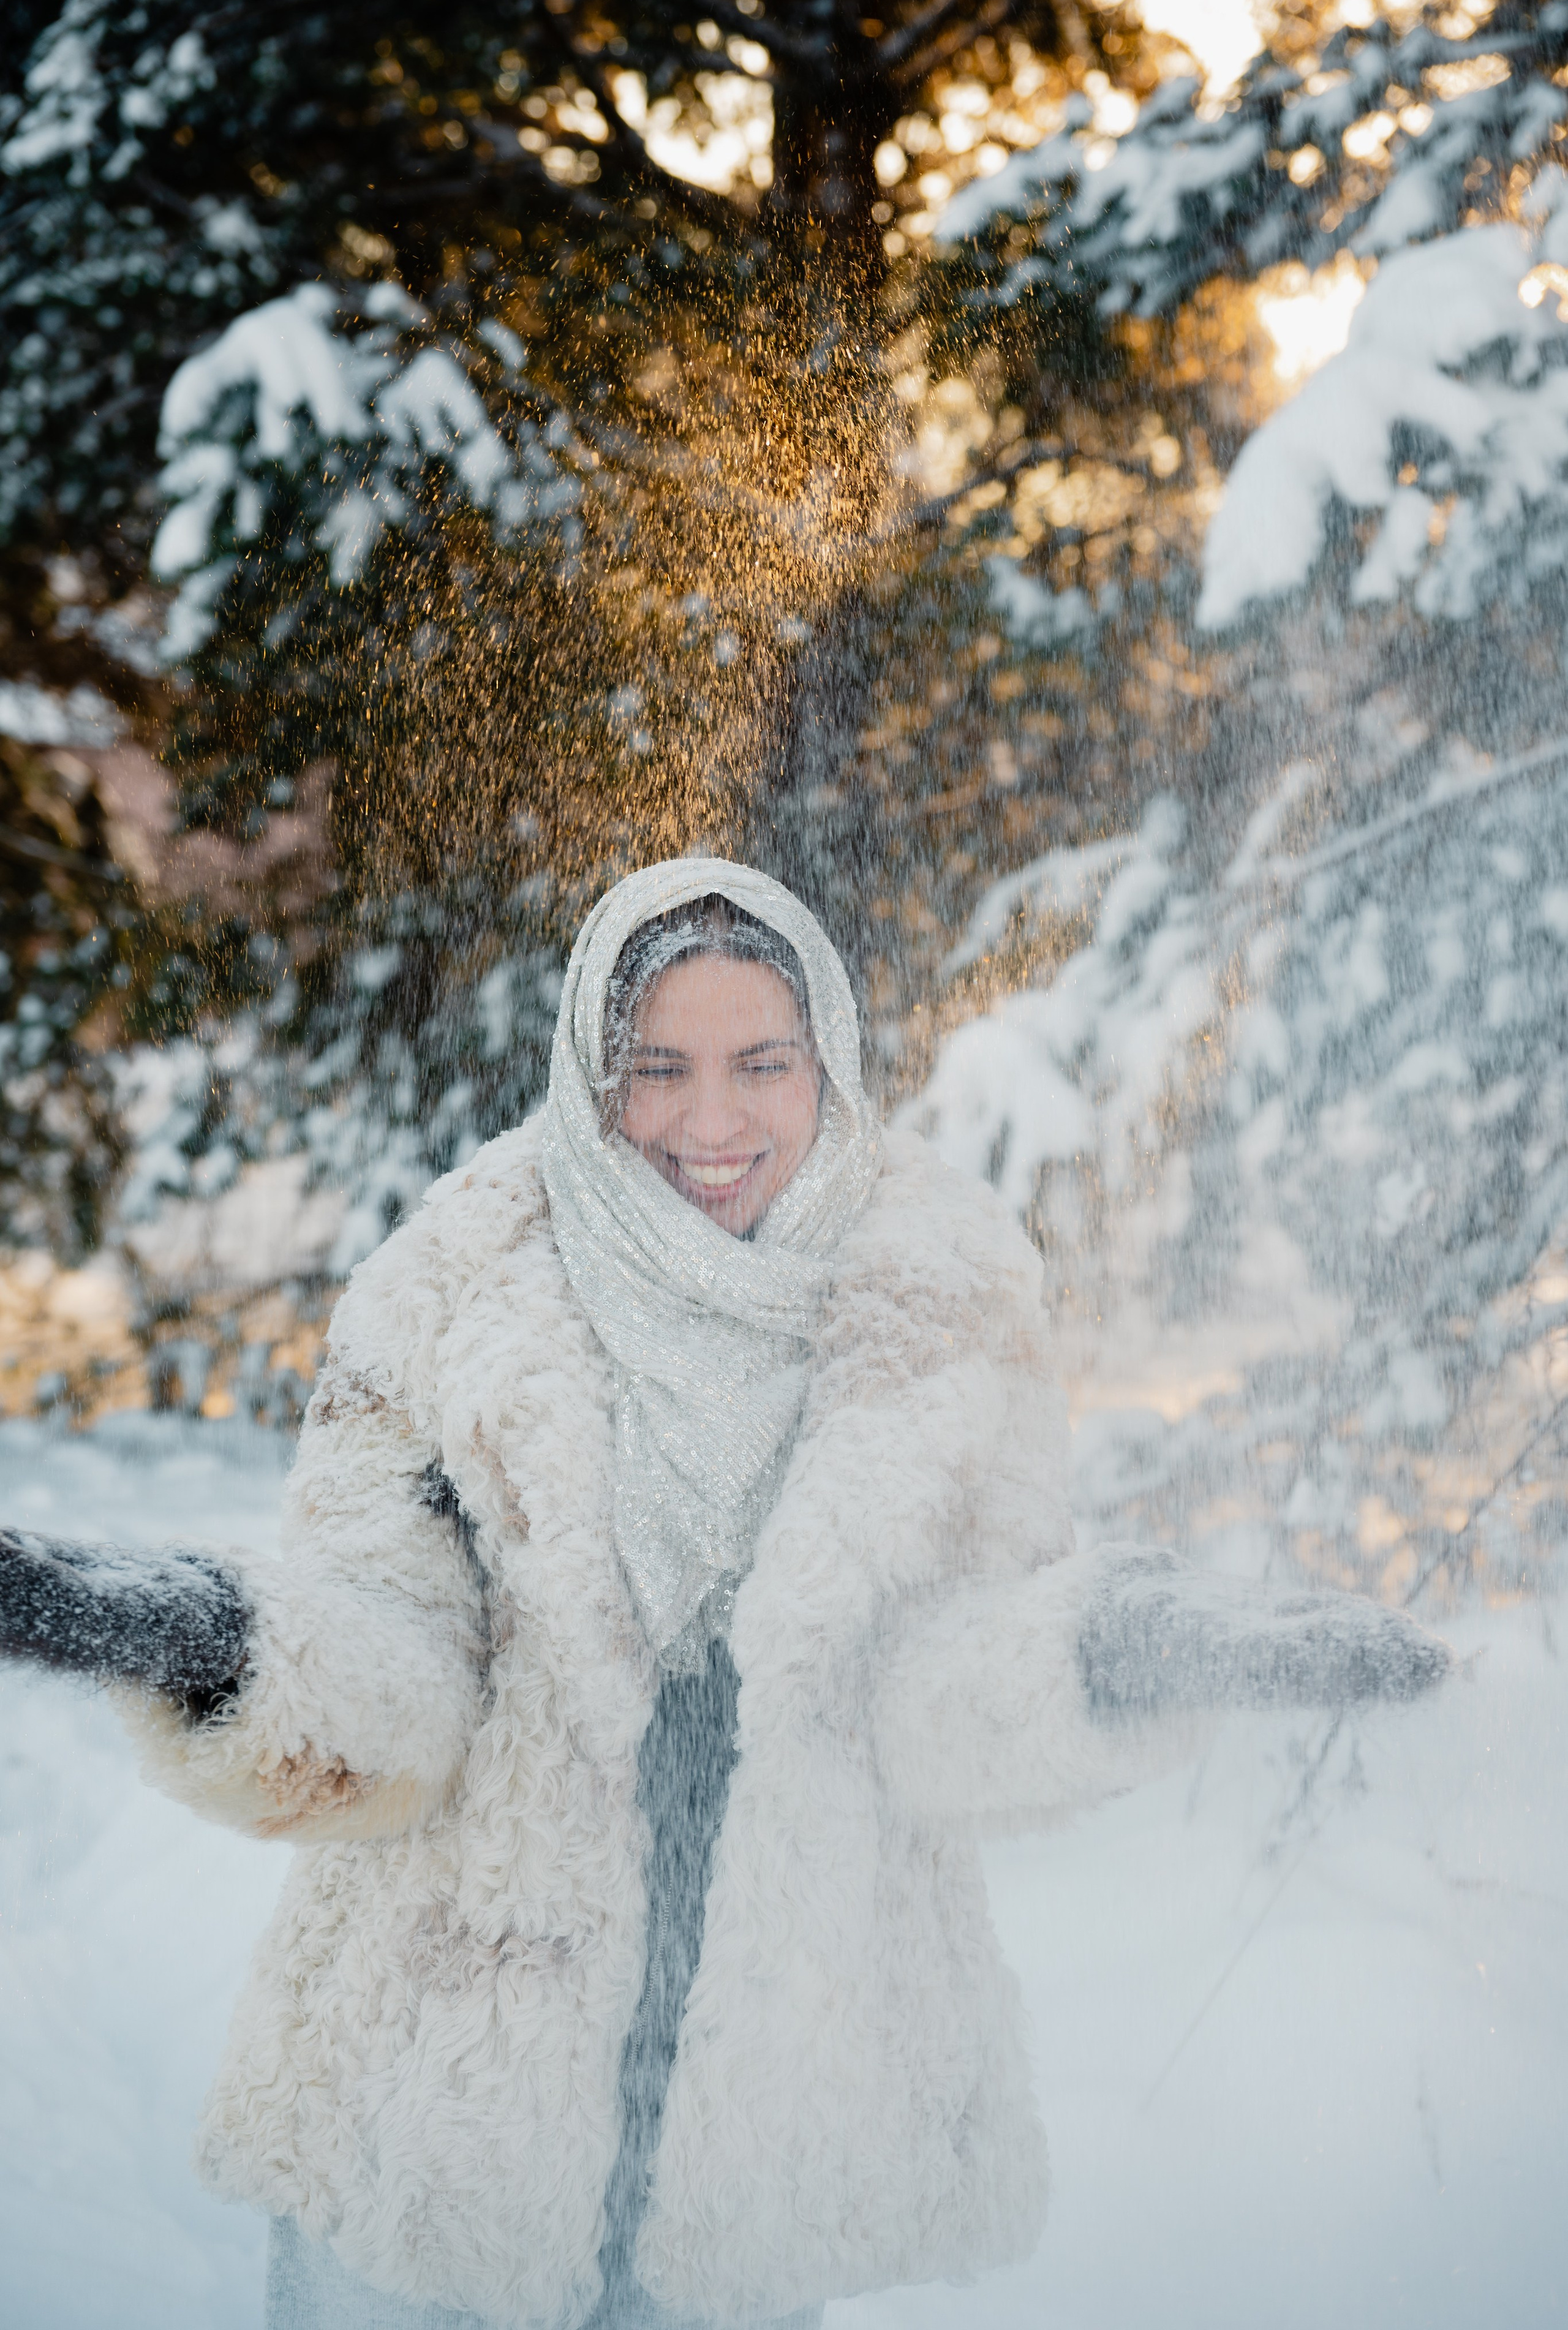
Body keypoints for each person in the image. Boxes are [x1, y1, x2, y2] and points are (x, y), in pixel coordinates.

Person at [0, 859, 1449, 2330]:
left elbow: (934, 1687)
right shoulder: (448, 1296)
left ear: (829, 1057)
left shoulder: (940, 1312)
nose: (710, 1122)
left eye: (762, 1063)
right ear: (587, 1071)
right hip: (443, 2080)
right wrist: (212, 1638)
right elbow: (399, 1656)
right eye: (655, 1069)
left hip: (750, 2099)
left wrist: (1115, 1647)